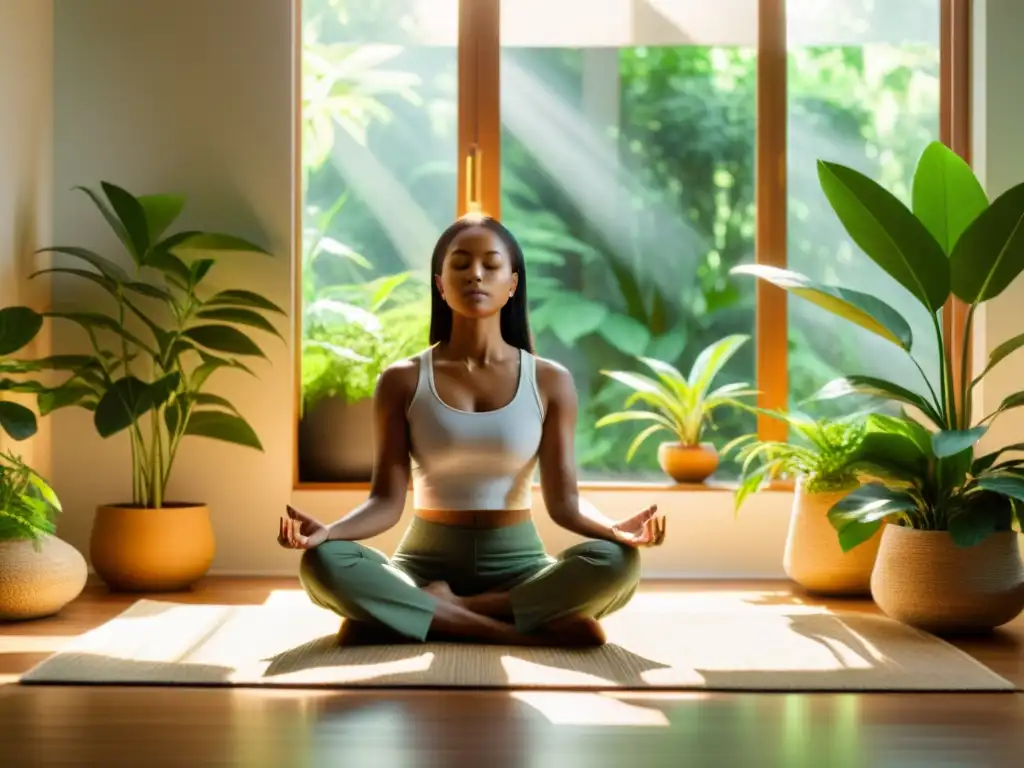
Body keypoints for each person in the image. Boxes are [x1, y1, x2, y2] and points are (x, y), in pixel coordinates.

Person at [279, 213, 667, 647]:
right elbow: (385, 502)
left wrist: (614, 530)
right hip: (422, 565)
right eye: (460, 264)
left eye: (490, 264)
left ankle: (421, 613)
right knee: (322, 563)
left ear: (513, 283)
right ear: (441, 285)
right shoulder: (401, 379)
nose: (476, 275)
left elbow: (566, 503)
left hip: (519, 566)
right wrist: (329, 533)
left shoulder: (549, 381)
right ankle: (516, 633)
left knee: (618, 563)